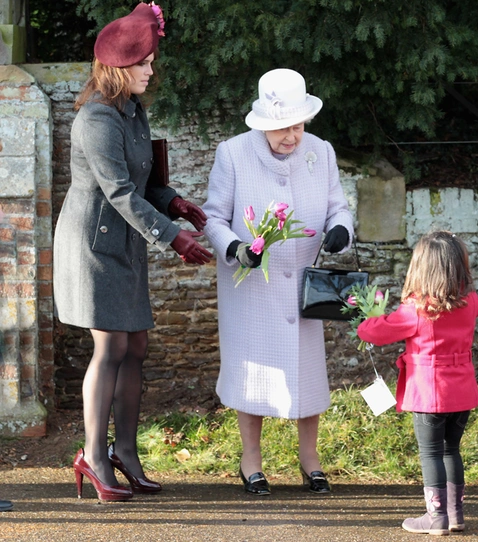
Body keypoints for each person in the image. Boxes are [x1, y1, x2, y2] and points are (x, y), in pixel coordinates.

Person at [53, 3, 212, 502]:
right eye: (143, 62)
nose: (150, 70)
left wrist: (176, 203)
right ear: (119, 67)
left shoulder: (133, 111)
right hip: (94, 245)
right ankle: (93, 457)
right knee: (112, 347)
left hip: (124, 241)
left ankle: (125, 451)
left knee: (137, 347)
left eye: (149, 60)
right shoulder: (97, 119)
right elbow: (119, 192)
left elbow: (145, 182)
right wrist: (173, 236)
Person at [202, 68, 354, 496]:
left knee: (308, 373)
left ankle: (310, 459)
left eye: (299, 125)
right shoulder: (232, 154)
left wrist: (341, 228)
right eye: (284, 128)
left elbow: (337, 206)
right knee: (254, 372)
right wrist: (235, 249)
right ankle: (251, 459)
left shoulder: (320, 151)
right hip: (254, 285)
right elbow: (213, 217)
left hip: (303, 286)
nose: (293, 136)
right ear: (264, 124)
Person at [357, 231, 478, 534]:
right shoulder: (472, 302)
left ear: (421, 268)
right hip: (462, 388)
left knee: (431, 453)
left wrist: (365, 322)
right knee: (451, 449)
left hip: (429, 391)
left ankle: (435, 517)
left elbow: (375, 332)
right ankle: (455, 514)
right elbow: (470, 309)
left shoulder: (416, 309)